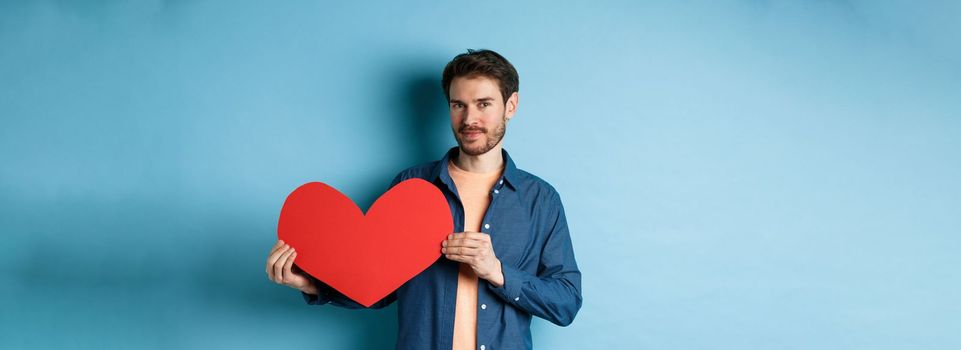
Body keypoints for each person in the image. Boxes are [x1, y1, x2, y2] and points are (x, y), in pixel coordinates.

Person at [266, 49, 582, 350]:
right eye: (458, 105)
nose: (469, 118)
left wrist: (497, 271)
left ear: (510, 105)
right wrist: (311, 284)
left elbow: (566, 302)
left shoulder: (540, 200)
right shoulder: (410, 186)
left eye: (483, 104)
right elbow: (378, 287)